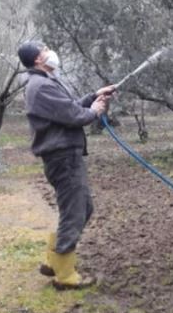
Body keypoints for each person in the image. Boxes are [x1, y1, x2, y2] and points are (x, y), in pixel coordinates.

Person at [17, 41, 116, 290]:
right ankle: (65, 276)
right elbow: (74, 116)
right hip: (63, 158)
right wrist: (94, 111)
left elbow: (68, 108)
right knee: (75, 211)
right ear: (38, 60)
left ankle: (54, 260)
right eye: (44, 49)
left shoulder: (44, 83)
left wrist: (94, 96)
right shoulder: (40, 87)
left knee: (83, 207)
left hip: (64, 157)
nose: (49, 52)